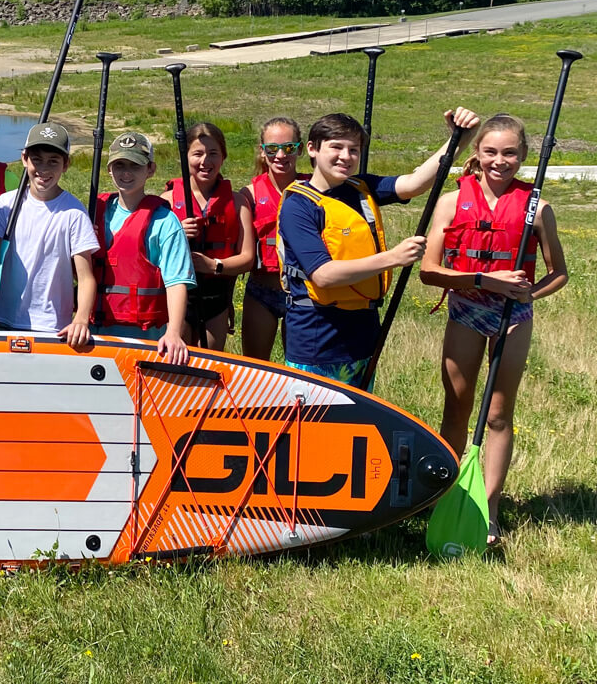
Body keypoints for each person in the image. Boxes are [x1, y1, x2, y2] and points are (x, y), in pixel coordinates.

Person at [420, 113, 567, 544]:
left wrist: (527, 296)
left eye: (509, 153)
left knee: (500, 413)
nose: (499, 161)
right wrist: (485, 281)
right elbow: (430, 271)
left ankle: (490, 508)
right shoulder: (451, 202)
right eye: (490, 152)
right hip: (466, 308)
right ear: (477, 153)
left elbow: (559, 273)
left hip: (513, 317)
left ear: (523, 156)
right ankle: (446, 495)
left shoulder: (537, 208)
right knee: (458, 406)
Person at [277, 109, 480, 387]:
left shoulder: (363, 187)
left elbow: (415, 183)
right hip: (316, 342)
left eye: (353, 150)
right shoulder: (298, 206)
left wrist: (460, 138)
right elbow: (323, 275)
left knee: (356, 426)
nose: (345, 157)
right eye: (336, 147)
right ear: (312, 149)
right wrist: (393, 258)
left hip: (363, 337)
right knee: (316, 428)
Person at [0, 122, 97, 350]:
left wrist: (81, 319)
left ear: (66, 164)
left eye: (53, 161)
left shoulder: (74, 213)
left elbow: (85, 278)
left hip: (52, 326)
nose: (43, 169)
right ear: (24, 158)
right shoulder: (6, 204)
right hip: (1, 319)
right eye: (37, 159)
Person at [91, 132, 192, 364]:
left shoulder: (165, 222)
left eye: (135, 166)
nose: (126, 173)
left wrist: (174, 332)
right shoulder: (93, 213)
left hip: (146, 338)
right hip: (97, 335)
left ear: (150, 170)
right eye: (119, 165)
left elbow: (176, 282)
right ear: (109, 169)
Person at [166, 123, 255, 350]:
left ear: (223, 157)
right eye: (197, 154)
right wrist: (176, 234)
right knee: (178, 366)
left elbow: (247, 258)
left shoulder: (237, 203)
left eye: (213, 154)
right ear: (185, 158)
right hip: (177, 301)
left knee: (210, 367)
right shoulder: (166, 201)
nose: (206, 161)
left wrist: (214, 265)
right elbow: (152, 256)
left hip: (216, 301)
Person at [238, 117, 310, 360]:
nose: (280, 155)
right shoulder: (249, 194)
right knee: (256, 369)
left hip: (303, 293)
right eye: (272, 149)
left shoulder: (314, 189)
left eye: (289, 148)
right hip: (262, 291)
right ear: (262, 151)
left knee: (300, 373)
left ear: (300, 149)